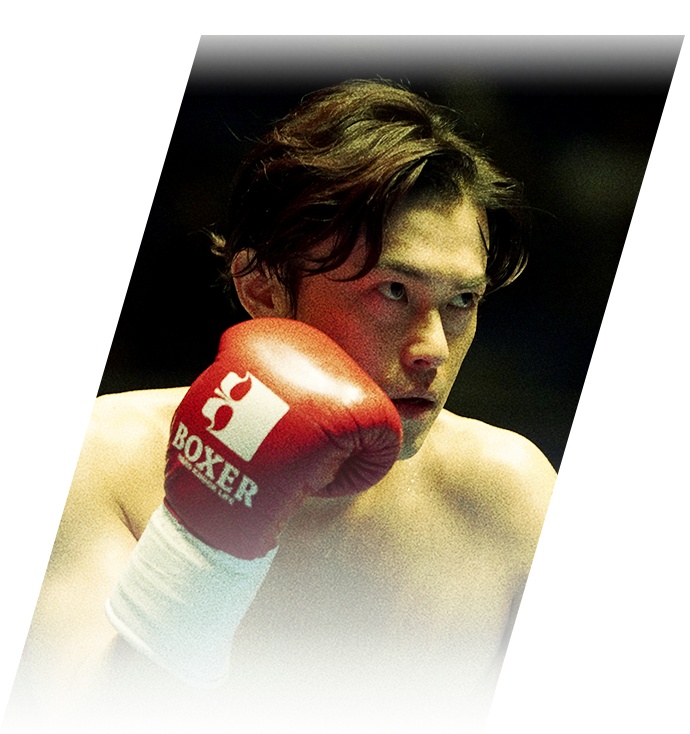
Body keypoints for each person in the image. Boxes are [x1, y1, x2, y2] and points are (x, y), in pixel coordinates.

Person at [20, 80, 677, 734]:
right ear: (262, 287)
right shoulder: (96, 457)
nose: (433, 348)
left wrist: (682, 614)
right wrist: (205, 542)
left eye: (462, 301)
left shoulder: (503, 493)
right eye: (393, 291)